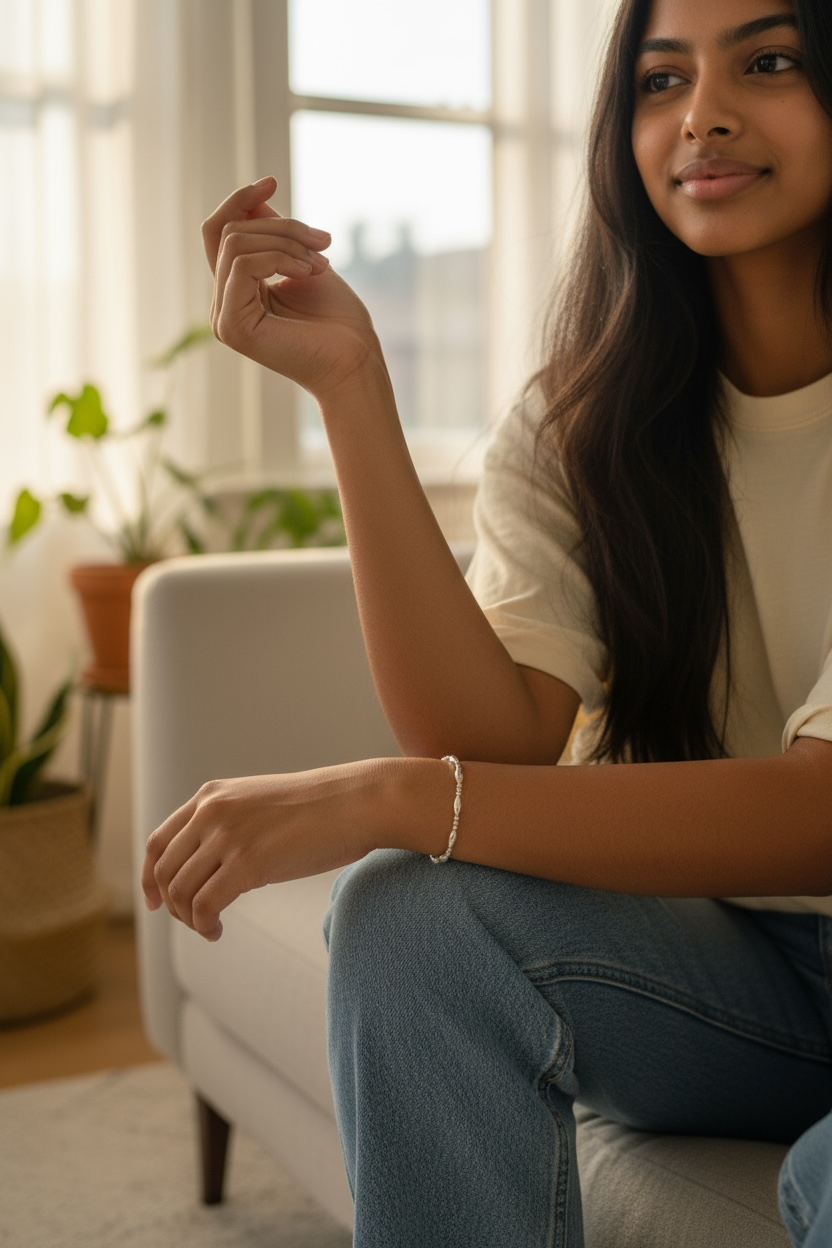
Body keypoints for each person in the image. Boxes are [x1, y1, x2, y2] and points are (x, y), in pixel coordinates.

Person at [142, 0, 832, 1242]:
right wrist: (350, 385)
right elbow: (492, 739)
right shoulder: (586, 423)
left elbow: (821, 813)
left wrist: (385, 795)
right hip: (737, 981)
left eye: (769, 61)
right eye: (659, 80)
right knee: (410, 916)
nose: (704, 114)